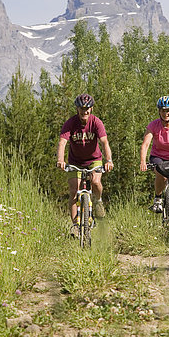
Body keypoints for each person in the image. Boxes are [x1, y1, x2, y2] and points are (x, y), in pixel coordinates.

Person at [56, 93, 114, 236]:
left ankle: (98, 201)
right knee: (74, 191)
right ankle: (76, 225)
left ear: (91, 109)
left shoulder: (96, 122)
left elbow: (104, 142)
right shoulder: (70, 123)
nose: (85, 111)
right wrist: (60, 160)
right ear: (77, 109)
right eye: (82, 108)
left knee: (95, 182)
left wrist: (109, 160)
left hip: (94, 159)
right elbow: (62, 143)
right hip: (75, 162)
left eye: (87, 108)